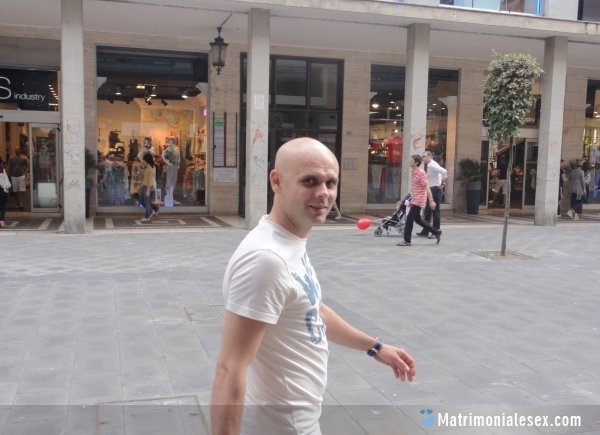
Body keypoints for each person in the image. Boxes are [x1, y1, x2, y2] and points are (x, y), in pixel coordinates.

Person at [211, 137, 416, 435]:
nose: (323, 193)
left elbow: (311, 310)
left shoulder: (288, 242)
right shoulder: (267, 260)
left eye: (331, 183)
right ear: (276, 181)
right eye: (310, 181)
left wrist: (376, 347)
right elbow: (230, 368)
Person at [397, 154, 441, 246]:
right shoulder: (414, 171)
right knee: (418, 219)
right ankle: (436, 232)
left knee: (409, 219)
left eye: (411, 160)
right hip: (415, 198)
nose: (409, 161)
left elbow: (427, 187)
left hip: (419, 199)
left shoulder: (421, 173)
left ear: (416, 163)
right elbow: (415, 187)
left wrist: (431, 200)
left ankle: (407, 240)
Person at [416, 151, 447, 239]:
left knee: (435, 211)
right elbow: (439, 174)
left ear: (429, 156)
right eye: (422, 156)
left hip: (434, 189)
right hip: (431, 189)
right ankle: (426, 230)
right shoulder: (430, 165)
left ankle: (436, 231)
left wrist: (442, 183)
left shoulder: (432, 165)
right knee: (427, 211)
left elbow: (444, 171)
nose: (423, 158)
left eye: (424, 156)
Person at [140, 152, 159, 222]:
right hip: (146, 186)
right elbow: (145, 176)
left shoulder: (150, 168)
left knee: (146, 202)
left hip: (148, 187)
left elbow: (150, 180)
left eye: (144, 160)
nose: (143, 161)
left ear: (147, 160)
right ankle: (154, 209)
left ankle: (148, 216)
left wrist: (148, 190)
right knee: (142, 200)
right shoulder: (148, 167)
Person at [0, 157, 10, 228]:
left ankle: (2, 221)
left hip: (1, 188)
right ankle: (2, 221)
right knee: (3, 205)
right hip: (2, 188)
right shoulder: (1, 167)